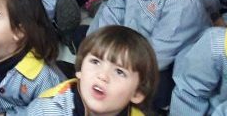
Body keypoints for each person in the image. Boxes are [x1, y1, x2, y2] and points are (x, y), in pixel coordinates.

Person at [25, 25, 157, 116]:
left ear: (137, 93)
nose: (102, 75)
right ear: (80, 70)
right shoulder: (49, 110)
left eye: (119, 72)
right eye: (95, 62)